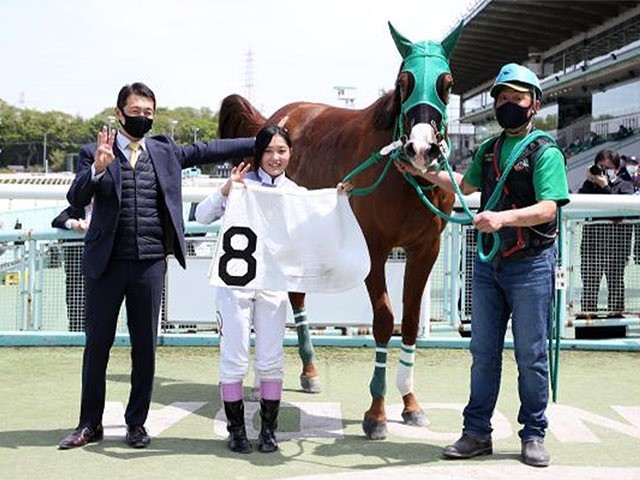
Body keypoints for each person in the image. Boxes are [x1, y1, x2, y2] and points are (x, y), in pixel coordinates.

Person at [58, 82, 254, 450]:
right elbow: (76, 197)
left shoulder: (164, 151)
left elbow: (208, 150)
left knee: (144, 348)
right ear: (119, 114)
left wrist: (259, 141)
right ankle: (89, 424)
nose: (143, 119)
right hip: (106, 265)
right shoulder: (93, 152)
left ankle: (136, 424)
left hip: (149, 264)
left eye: (149, 113)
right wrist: (98, 169)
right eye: (136, 112)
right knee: (96, 347)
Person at [395, 63, 569, 467]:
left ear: (534, 104)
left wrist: (501, 219)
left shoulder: (545, 151)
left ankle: (534, 433)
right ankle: (476, 433)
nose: (508, 105)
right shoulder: (490, 149)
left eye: (517, 98)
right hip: (490, 267)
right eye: (503, 99)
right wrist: (420, 170)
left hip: (531, 266)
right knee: (483, 353)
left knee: (531, 355)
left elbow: (548, 209)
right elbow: (464, 186)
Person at [196, 125, 348, 454]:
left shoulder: (295, 193)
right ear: (257, 154)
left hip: (273, 286)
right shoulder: (241, 185)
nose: (275, 158)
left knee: (271, 360)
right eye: (268, 151)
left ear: (290, 154)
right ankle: (236, 431)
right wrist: (225, 190)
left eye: (281, 151)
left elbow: (318, 230)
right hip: (234, 285)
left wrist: (335, 202)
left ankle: (268, 431)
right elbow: (201, 214)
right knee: (233, 360)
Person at [577, 149, 634, 317]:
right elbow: (579, 203)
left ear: (616, 169)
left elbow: (619, 211)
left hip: (616, 248)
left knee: (616, 287)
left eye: (607, 167)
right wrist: (590, 181)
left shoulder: (625, 184)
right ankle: (587, 326)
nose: (603, 171)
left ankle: (616, 325)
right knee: (589, 287)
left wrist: (606, 187)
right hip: (591, 246)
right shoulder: (590, 186)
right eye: (600, 167)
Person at [51, 204, 92, 332]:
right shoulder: (76, 209)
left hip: (102, 265)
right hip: (76, 267)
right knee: (75, 299)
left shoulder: (108, 207)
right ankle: (75, 331)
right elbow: (57, 220)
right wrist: (73, 224)